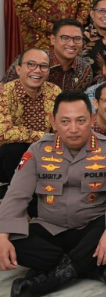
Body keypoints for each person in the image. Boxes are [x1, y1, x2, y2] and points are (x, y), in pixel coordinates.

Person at [0, 91, 106, 295]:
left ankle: (44, 281)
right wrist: (2, 235)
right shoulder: (37, 150)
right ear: (53, 122)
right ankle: (90, 266)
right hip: (49, 229)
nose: (73, 129)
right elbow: (16, 194)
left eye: (80, 120)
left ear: (92, 119)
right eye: (65, 121)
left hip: (91, 228)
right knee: (7, 237)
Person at [0, 49, 60, 195]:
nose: (37, 70)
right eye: (31, 64)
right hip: (10, 160)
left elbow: (60, 128)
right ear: (18, 69)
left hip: (45, 155)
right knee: (14, 149)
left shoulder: (54, 92)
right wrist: (44, 136)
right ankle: (23, 196)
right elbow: (4, 133)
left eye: (43, 66)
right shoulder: (5, 93)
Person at [2, 19, 94, 93]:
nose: (71, 43)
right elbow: (3, 89)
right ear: (53, 40)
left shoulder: (84, 69)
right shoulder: (29, 60)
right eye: (65, 38)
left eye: (77, 39)